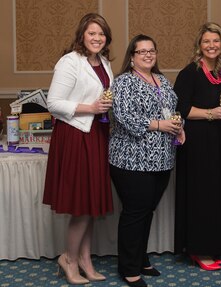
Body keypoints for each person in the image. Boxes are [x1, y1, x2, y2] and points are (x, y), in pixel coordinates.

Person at [43, 13, 114, 285]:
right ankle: (69, 259)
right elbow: (54, 103)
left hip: (96, 134)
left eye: (101, 34)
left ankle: (85, 260)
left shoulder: (104, 62)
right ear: (82, 35)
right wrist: (91, 108)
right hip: (75, 136)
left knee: (91, 202)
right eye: (92, 33)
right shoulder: (69, 61)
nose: (97, 38)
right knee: (81, 205)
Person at [109, 34, 185, 287]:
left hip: (161, 159)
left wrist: (179, 126)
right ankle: (128, 268)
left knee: (147, 211)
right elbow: (124, 118)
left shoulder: (162, 80)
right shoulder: (123, 83)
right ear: (132, 57)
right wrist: (159, 125)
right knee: (134, 213)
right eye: (141, 51)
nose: (148, 55)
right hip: (131, 160)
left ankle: (140, 259)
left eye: (151, 50)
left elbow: (173, 111)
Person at [174, 22, 221, 271]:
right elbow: (182, 109)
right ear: (199, 45)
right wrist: (211, 113)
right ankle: (197, 250)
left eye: (216, 41)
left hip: (217, 141)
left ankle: (212, 244)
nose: (212, 45)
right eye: (207, 41)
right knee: (199, 195)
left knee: (214, 194)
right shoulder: (190, 73)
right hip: (196, 143)